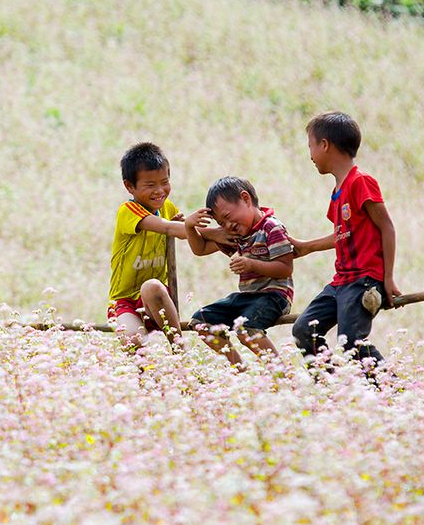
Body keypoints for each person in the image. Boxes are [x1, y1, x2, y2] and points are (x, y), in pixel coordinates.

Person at [289, 112, 401, 367]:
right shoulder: (337, 193)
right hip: (341, 281)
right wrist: (306, 247)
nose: (310, 155)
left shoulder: (361, 182)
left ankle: (390, 391)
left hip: (363, 280)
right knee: (304, 330)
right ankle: (332, 391)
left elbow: (387, 227)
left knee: (351, 343)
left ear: (325, 145)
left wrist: (388, 278)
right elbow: (342, 234)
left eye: (311, 146)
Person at [183, 177, 294, 368]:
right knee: (200, 321)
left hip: (274, 296)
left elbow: (285, 267)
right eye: (220, 222)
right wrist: (189, 226)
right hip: (248, 298)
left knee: (245, 329)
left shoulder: (271, 227)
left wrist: (252, 265)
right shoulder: (239, 234)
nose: (226, 226)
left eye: (227, 216)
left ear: (246, 199)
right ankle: (239, 368)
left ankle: (281, 373)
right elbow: (200, 249)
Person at [107, 142, 205, 348]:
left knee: (151, 286)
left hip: (155, 299)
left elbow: (186, 232)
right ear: (129, 186)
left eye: (164, 182)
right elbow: (170, 228)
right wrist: (186, 225)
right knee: (132, 339)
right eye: (150, 185)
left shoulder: (167, 208)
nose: (159, 191)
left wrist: (219, 235)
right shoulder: (128, 210)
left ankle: (180, 352)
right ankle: (147, 378)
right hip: (124, 302)